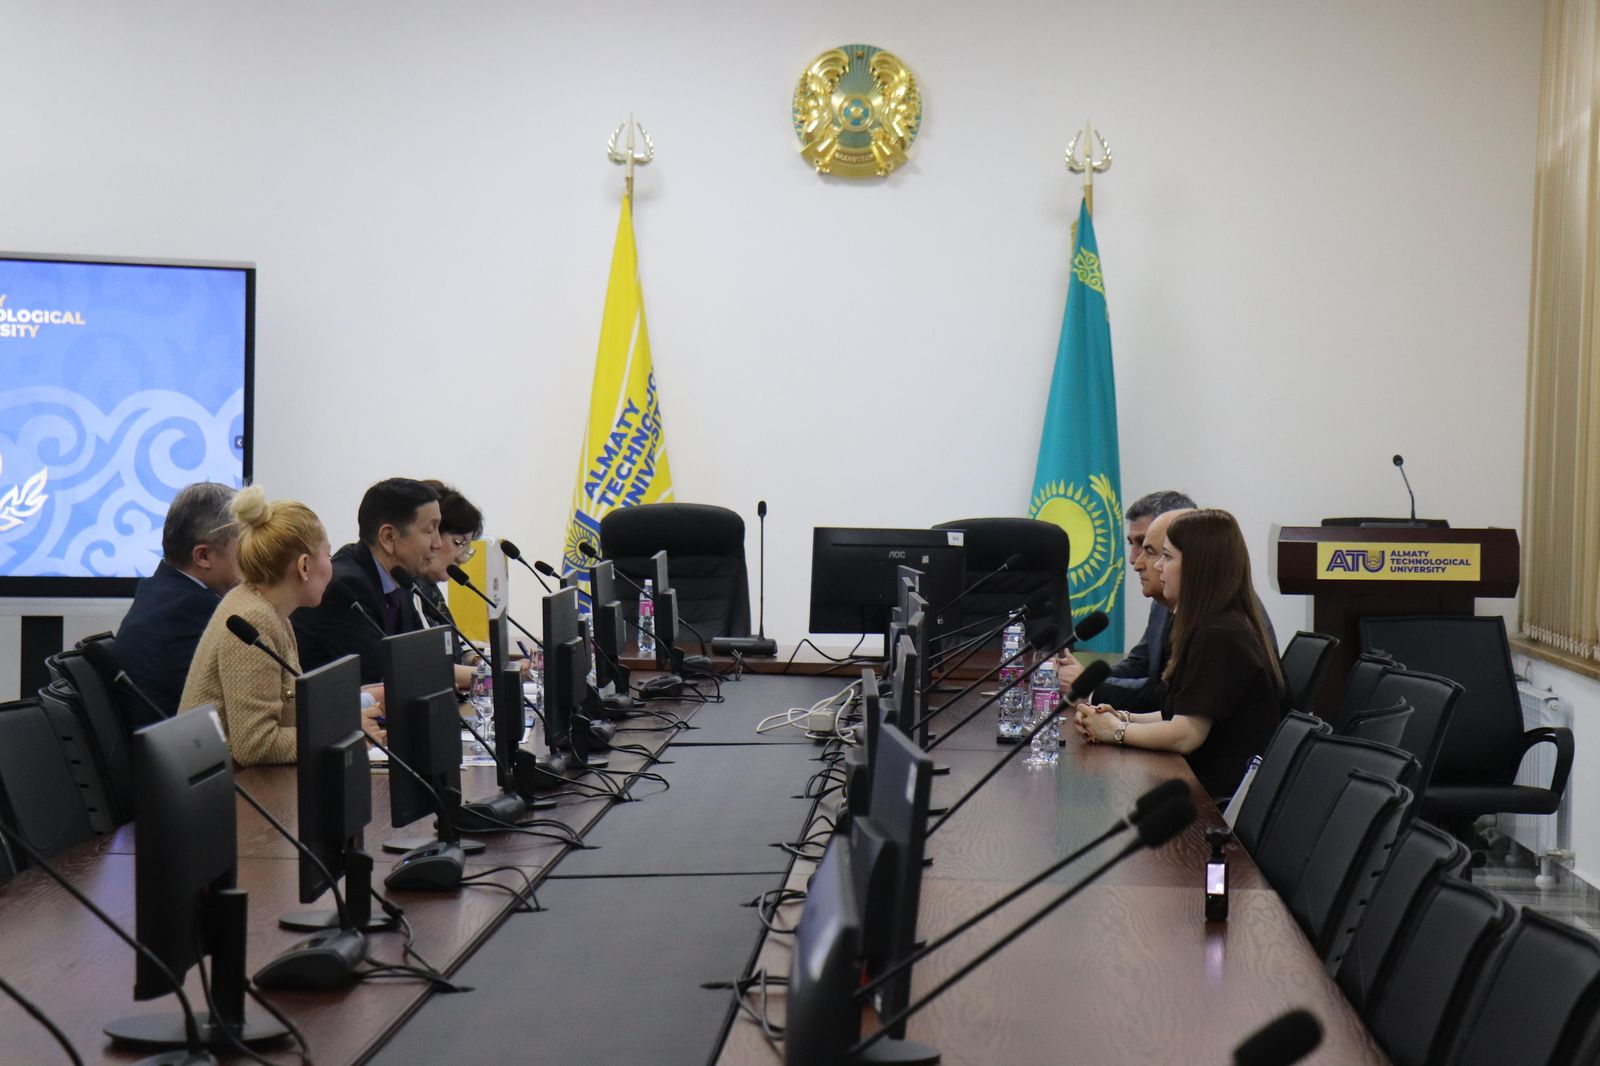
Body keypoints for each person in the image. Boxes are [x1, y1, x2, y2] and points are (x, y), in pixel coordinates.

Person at [1073, 508, 1286, 799]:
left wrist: (1115, 731)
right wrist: (1122, 717)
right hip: (1199, 785)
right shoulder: (1214, 624)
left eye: (1167, 557)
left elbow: (1186, 734)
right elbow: (1178, 712)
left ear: (1198, 568)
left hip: (1215, 800)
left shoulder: (1219, 634)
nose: (1158, 567)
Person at [179, 486, 384, 766]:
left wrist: (351, 711)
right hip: (233, 786)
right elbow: (255, 745)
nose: (332, 566)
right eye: (328, 554)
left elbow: (291, 707)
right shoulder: (255, 617)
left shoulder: (269, 608)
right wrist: (343, 732)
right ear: (304, 566)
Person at [291, 478, 442, 684]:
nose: (438, 543)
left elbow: (422, 655)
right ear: (388, 537)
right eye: (430, 531)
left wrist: (478, 671)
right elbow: (385, 672)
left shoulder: (401, 577)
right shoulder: (345, 588)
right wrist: (475, 676)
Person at [113, 482, 241, 725]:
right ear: (203, 556)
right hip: (186, 745)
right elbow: (234, 716)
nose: (251, 556)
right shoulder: (192, 613)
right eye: (243, 545)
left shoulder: (159, 590)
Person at [1059, 490, 1195, 711]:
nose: (1134, 560)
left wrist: (1091, 689)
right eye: (1132, 544)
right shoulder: (1162, 602)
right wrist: (1086, 679)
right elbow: (1140, 665)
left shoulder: (1212, 617)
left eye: (1146, 546)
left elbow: (1165, 694)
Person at [418, 480, 483, 670]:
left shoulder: (430, 588)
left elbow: (452, 641)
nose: (462, 558)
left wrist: (476, 660)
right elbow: (430, 666)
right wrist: (489, 674)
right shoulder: (408, 589)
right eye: (459, 543)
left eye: (467, 547)